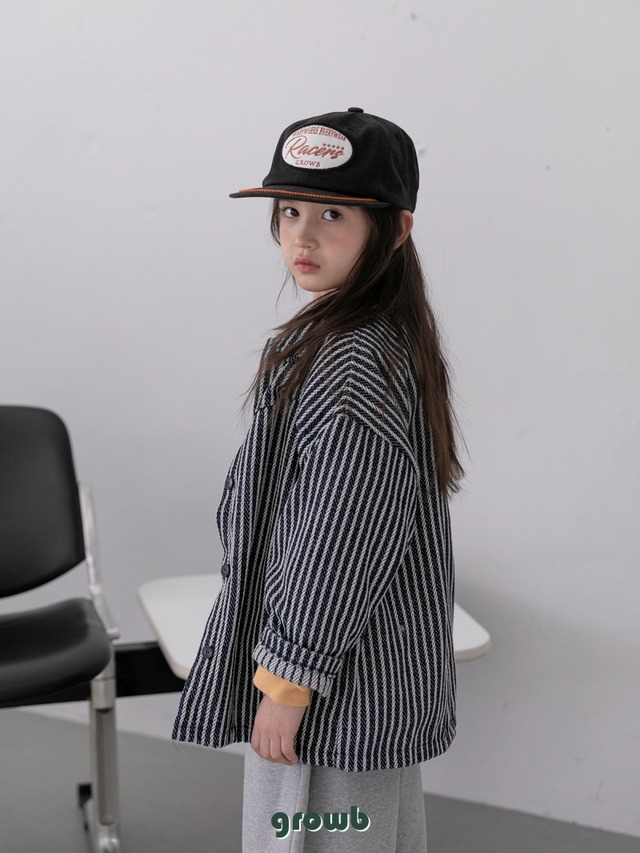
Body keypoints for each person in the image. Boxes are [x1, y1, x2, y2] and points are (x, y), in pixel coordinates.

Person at [173, 107, 464, 852]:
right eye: (289, 210)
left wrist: (288, 682)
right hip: (356, 684)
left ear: (395, 231)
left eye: (333, 215)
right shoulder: (364, 336)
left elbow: (341, 538)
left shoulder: (351, 360)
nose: (301, 238)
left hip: (331, 697)